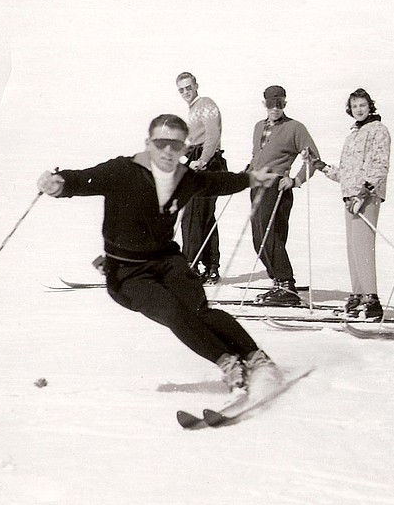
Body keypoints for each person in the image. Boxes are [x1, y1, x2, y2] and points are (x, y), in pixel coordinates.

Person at [36, 114, 281, 393]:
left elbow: (214, 183)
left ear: (185, 149)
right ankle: (228, 363)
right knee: (174, 312)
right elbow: (85, 180)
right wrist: (59, 183)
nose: (168, 151)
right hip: (126, 273)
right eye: (161, 143)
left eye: (176, 145)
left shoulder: (184, 178)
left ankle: (257, 359)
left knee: (200, 311)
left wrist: (252, 179)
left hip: (166, 260)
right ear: (148, 143)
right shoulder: (123, 171)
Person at [320, 88, 392, 321]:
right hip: (350, 197)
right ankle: (358, 294)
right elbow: (347, 173)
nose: (358, 109)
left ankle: (372, 299)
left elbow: (380, 165)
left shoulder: (378, 130)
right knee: (353, 249)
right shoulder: (352, 135)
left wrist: (364, 192)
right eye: (354, 106)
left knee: (363, 246)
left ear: (370, 106)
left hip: (366, 197)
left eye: (362, 105)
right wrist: (323, 168)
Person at [247, 85, 321, 306]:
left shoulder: (295, 128)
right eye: (271, 104)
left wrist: (296, 180)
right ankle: (278, 281)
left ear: (285, 104)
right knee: (259, 237)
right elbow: (257, 155)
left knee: (270, 235)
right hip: (257, 184)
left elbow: (313, 158)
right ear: (265, 105)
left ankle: (286, 284)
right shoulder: (259, 126)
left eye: (279, 104)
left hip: (277, 186)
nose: (275, 109)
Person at [175, 72, 228, 284]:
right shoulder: (194, 108)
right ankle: (209, 265)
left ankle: (193, 264)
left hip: (208, 163)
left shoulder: (205, 103)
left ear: (196, 85)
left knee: (194, 215)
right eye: (181, 90)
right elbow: (195, 138)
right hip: (196, 158)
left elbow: (212, 135)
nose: (186, 92)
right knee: (203, 215)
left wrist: (203, 160)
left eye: (189, 87)